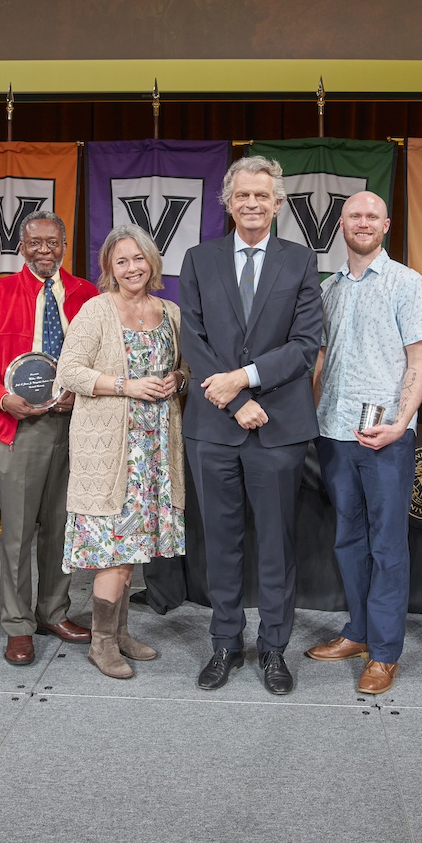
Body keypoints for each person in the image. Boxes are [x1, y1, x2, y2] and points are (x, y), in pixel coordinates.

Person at [179, 155, 323, 696]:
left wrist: (243, 378)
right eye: (243, 196)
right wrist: (235, 400)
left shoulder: (301, 262)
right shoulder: (198, 259)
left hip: (278, 425)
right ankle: (224, 643)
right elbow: (192, 339)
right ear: (228, 202)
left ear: (278, 202)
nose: (253, 204)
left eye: (263, 196)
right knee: (220, 540)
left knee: (277, 544)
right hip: (214, 426)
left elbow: (305, 345)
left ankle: (274, 649)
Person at [304, 192, 422, 696]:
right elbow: (318, 362)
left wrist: (401, 422)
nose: (362, 222)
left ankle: (384, 652)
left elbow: (420, 358)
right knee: (347, 539)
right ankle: (358, 632)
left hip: (388, 439)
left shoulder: (407, 283)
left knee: (386, 545)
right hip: (334, 431)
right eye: (353, 215)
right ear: (341, 225)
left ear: (386, 224)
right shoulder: (328, 289)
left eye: (371, 216)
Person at [0, 210, 97, 665]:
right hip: (18, 426)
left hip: (75, 425)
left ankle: (53, 611)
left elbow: (98, 358)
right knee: (18, 532)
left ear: (63, 246)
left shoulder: (86, 294)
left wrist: (81, 396)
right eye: (35, 243)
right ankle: (17, 625)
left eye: (52, 243)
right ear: (22, 247)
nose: (44, 251)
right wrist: (1, 398)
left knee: (62, 526)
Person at [55, 226, 188, 679]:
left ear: (152, 262)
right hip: (111, 451)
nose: (132, 268)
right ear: (109, 269)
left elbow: (182, 365)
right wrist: (125, 386)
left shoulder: (168, 311)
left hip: (154, 450)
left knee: (133, 550)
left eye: (139, 259)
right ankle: (102, 643)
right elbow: (69, 371)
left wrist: (179, 380)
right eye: (121, 261)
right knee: (113, 551)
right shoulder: (96, 310)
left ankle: (122, 633)